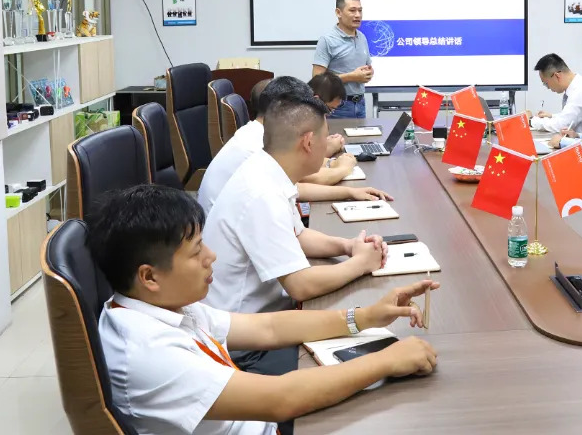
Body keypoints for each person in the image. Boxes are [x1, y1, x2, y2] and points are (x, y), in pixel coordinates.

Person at [89, 184, 438, 435]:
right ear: (149, 276)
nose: (211, 256)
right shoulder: (146, 350)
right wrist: (386, 361)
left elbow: (267, 328)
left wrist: (365, 317)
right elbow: (280, 399)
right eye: (197, 252)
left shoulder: (158, 305)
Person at [204, 93, 392, 324]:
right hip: (244, 329)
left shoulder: (267, 170)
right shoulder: (262, 194)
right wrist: (361, 264)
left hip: (266, 313)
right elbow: (301, 285)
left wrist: (348, 246)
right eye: (325, 137)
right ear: (308, 142)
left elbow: (297, 235)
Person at [197, 77, 387, 214]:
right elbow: (304, 186)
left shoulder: (259, 133)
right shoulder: (258, 146)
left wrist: (349, 191)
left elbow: (295, 186)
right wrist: (343, 169)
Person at [313, 0, 373, 119]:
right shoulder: (327, 40)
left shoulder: (362, 37)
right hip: (338, 106)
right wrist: (351, 77)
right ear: (338, 13)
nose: (358, 15)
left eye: (360, 10)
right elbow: (317, 79)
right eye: (352, 10)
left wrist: (368, 73)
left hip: (360, 103)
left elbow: (367, 65)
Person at [527, 53, 582, 135]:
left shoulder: (580, 91)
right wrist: (551, 116)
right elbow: (571, 116)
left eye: (546, 83)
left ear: (557, 76)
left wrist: (530, 121)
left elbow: (562, 125)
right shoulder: (577, 86)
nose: (548, 88)